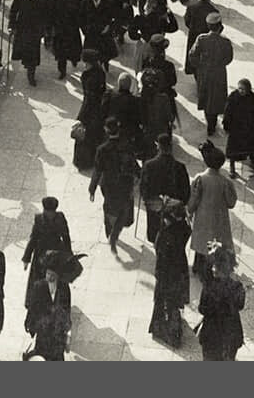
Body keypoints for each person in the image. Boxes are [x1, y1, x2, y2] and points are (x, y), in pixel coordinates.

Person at [187, 141, 237, 282]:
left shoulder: (200, 179)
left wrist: (189, 211)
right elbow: (231, 203)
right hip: (220, 218)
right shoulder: (226, 182)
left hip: (203, 217)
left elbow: (193, 200)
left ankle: (199, 267)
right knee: (218, 242)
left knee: (202, 243)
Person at [88, 117, 139, 251]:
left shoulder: (102, 149)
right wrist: (140, 177)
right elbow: (134, 164)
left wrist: (92, 188)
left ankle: (110, 230)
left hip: (109, 184)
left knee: (109, 206)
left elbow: (98, 170)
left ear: (106, 130)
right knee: (124, 204)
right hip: (125, 183)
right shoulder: (127, 145)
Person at [148, 198, 191, 348]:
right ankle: (174, 324)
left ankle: (170, 333)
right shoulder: (184, 228)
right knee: (174, 300)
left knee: (166, 301)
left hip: (167, 271)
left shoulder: (166, 234)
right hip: (179, 268)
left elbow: (159, 249)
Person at [187, 12, 234, 136]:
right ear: (220, 26)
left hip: (205, 73)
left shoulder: (201, 39)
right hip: (219, 74)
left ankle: (210, 124)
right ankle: (213, 123)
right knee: (217, 97)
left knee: (206, 96)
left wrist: (200, 66)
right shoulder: (225, 41)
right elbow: (229, 58)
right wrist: (219, 64)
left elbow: (192, 56)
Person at [197, 245, 247, 360]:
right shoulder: (237, 287)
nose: (213, 268)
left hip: (211, 334)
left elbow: (202, 309)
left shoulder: (209, 287)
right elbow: (240, 306)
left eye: (216, 266)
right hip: (231, 333)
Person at [141, 133, 190, 243]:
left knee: (156, 237)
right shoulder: (180, 167)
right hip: (174, 213)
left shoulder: (149, 166)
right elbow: (186, 193)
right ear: (171, 146)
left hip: (155, 210)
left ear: (157, 146)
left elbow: (144, 189)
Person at [24, 264, 71, 360]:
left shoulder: (64, 287)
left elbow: (67, 308)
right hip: (43, 330)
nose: (49, 276)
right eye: (48, 273)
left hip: (57, 331)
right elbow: (33, 307)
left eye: (52, 274)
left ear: (58, 275)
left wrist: (67, 328)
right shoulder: (39, 286)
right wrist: (29, 323)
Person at [8, 0, 47, 86]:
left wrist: (44, 29)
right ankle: (28, 65)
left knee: (33, 53)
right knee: (24, 50)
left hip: (35, 29)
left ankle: (31, 74)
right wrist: (11, 26)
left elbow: (46, 13)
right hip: (22, 28)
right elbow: (13, 11)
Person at [223, 77, 254, 176]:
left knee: (249, 147)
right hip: (236, 129)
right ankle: (232, 168)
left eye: (243, 89)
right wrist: (227, 125)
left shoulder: (253, 98)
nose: (241, 91)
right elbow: (227, 112)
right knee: (233, 151)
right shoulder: (233, 97)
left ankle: (252, 159)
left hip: (248, 128)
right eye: (239, 88)